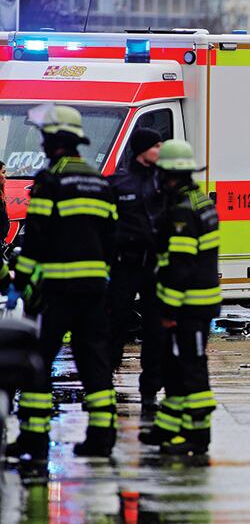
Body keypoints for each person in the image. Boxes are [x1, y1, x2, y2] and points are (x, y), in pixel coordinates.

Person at [7, 105, 118, 461]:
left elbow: (35, 240)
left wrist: (24, 282)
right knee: (95, 364)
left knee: (38, 362)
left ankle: (34, 440)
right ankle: (102, 437)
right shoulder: (98, 181)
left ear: (53, 140)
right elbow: (111, 239)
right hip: (94, 292)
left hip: (56, 293)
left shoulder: (49, 181)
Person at [138, 139, 220, 456]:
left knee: (190, 366)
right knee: (172, 365)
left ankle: (199, 436)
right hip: (194, 303)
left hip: (189, 306)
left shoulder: (183, 212)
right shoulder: (201, 203)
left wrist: (169, 308)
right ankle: (169, 428)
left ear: (171, 176)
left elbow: (180, 266)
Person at [108, 128, 165, 414]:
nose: (161, 149)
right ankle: (105, 382)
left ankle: (149, 391)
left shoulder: (162, 182)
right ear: (143, 149)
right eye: (156, 145)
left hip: (154, 267)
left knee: (154, 330)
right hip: (124, 265)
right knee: (116, 324)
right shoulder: (118, 183)